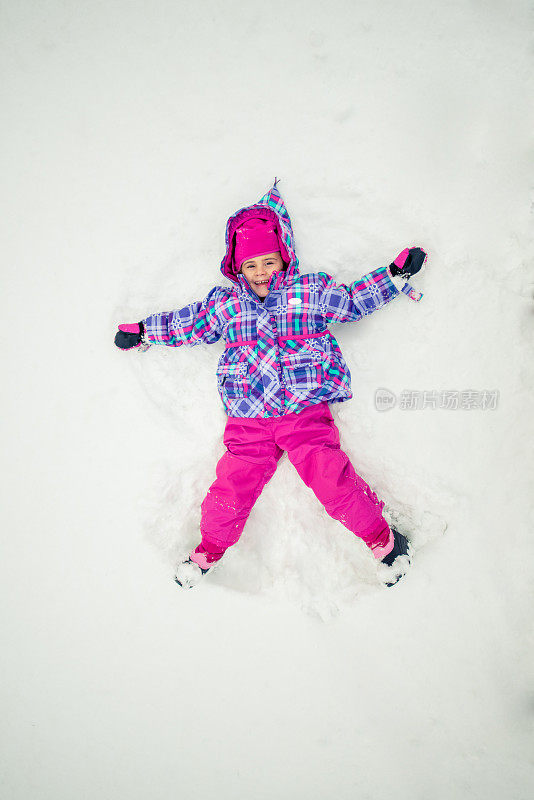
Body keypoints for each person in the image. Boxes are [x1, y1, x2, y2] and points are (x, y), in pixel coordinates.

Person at [115, 181, 427, 589]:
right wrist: (144, 332)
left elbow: (351, 301)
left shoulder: (309, 292)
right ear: (236, 269)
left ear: (284, 259)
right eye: (251, 266)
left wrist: (393, 275)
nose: (261, 272)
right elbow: (185, 323)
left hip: (304, 412)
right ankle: (208, 550)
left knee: (331, 478)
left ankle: (383, 541)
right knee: (231, 487)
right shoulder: (226, 306)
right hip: (248, 420)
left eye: (268, 262)